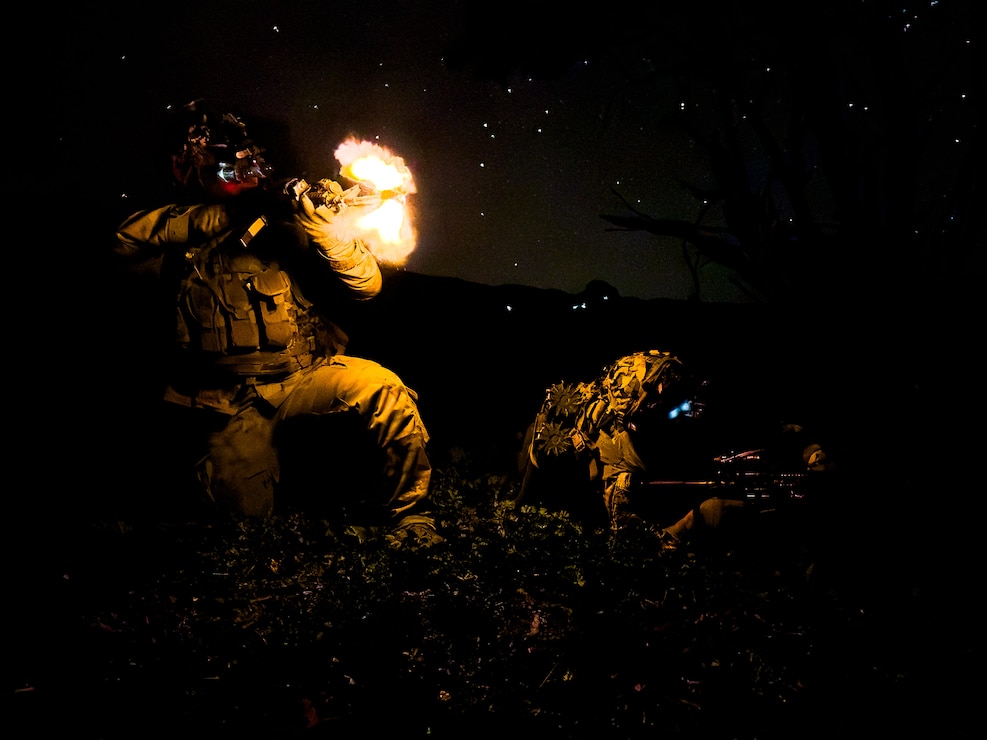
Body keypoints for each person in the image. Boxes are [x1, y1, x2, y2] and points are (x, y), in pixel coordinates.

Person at [113, 104, 437, 543]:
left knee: (383, 390)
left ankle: (412, 520)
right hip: (225, 403)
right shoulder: (179, 236)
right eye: (231, 169)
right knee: (240, 528)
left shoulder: (288, 224)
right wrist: (216, 219)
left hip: (299, 378)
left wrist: (327, 233)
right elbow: (119, 245)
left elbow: (367, 285)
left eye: (252, 167)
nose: (245, 177)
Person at [515, 350, 833, 551]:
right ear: (640, 423)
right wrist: (700, 521)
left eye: (686, 397)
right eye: (673, 407)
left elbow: (765, 426)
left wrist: (811, 450)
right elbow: (637, 548)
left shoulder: (686, 407)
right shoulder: (623, 471)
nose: (688, 408)